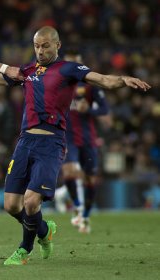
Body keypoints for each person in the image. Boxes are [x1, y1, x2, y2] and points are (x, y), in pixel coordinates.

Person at [0, 25, 151, 265]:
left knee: (31, 201)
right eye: (36, 46)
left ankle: (24, 250)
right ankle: (43, 231)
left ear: (57, 45)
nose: (40, 51)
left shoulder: (68, 69)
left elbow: (102, 80)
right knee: (11, 205)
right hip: (25, 141)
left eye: (45, 46)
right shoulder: (28, 71)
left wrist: (123, 80)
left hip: (51, 143)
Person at [60, 50, 110, 233]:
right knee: (69, 172)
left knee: (90, 178)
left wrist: (89, 109)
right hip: (67, 137)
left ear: (80, 62)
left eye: (75, 61)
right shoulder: (59, 83)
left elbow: (104, 109)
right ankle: (78, 206)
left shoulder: (89, 84)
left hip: (88, 138)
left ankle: (86, 215)